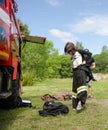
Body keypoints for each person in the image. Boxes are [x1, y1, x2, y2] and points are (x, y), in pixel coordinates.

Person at [64, 42, 90, 111]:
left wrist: (85, 61)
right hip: (75, 72)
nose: (69, 53)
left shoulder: (79, 51)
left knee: (81, 87)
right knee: (75, 89)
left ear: (72, 49)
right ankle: (75, 105)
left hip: (81, 70)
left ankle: (80, 103)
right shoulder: (72, 56)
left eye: (69, 51)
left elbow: (89, 54)